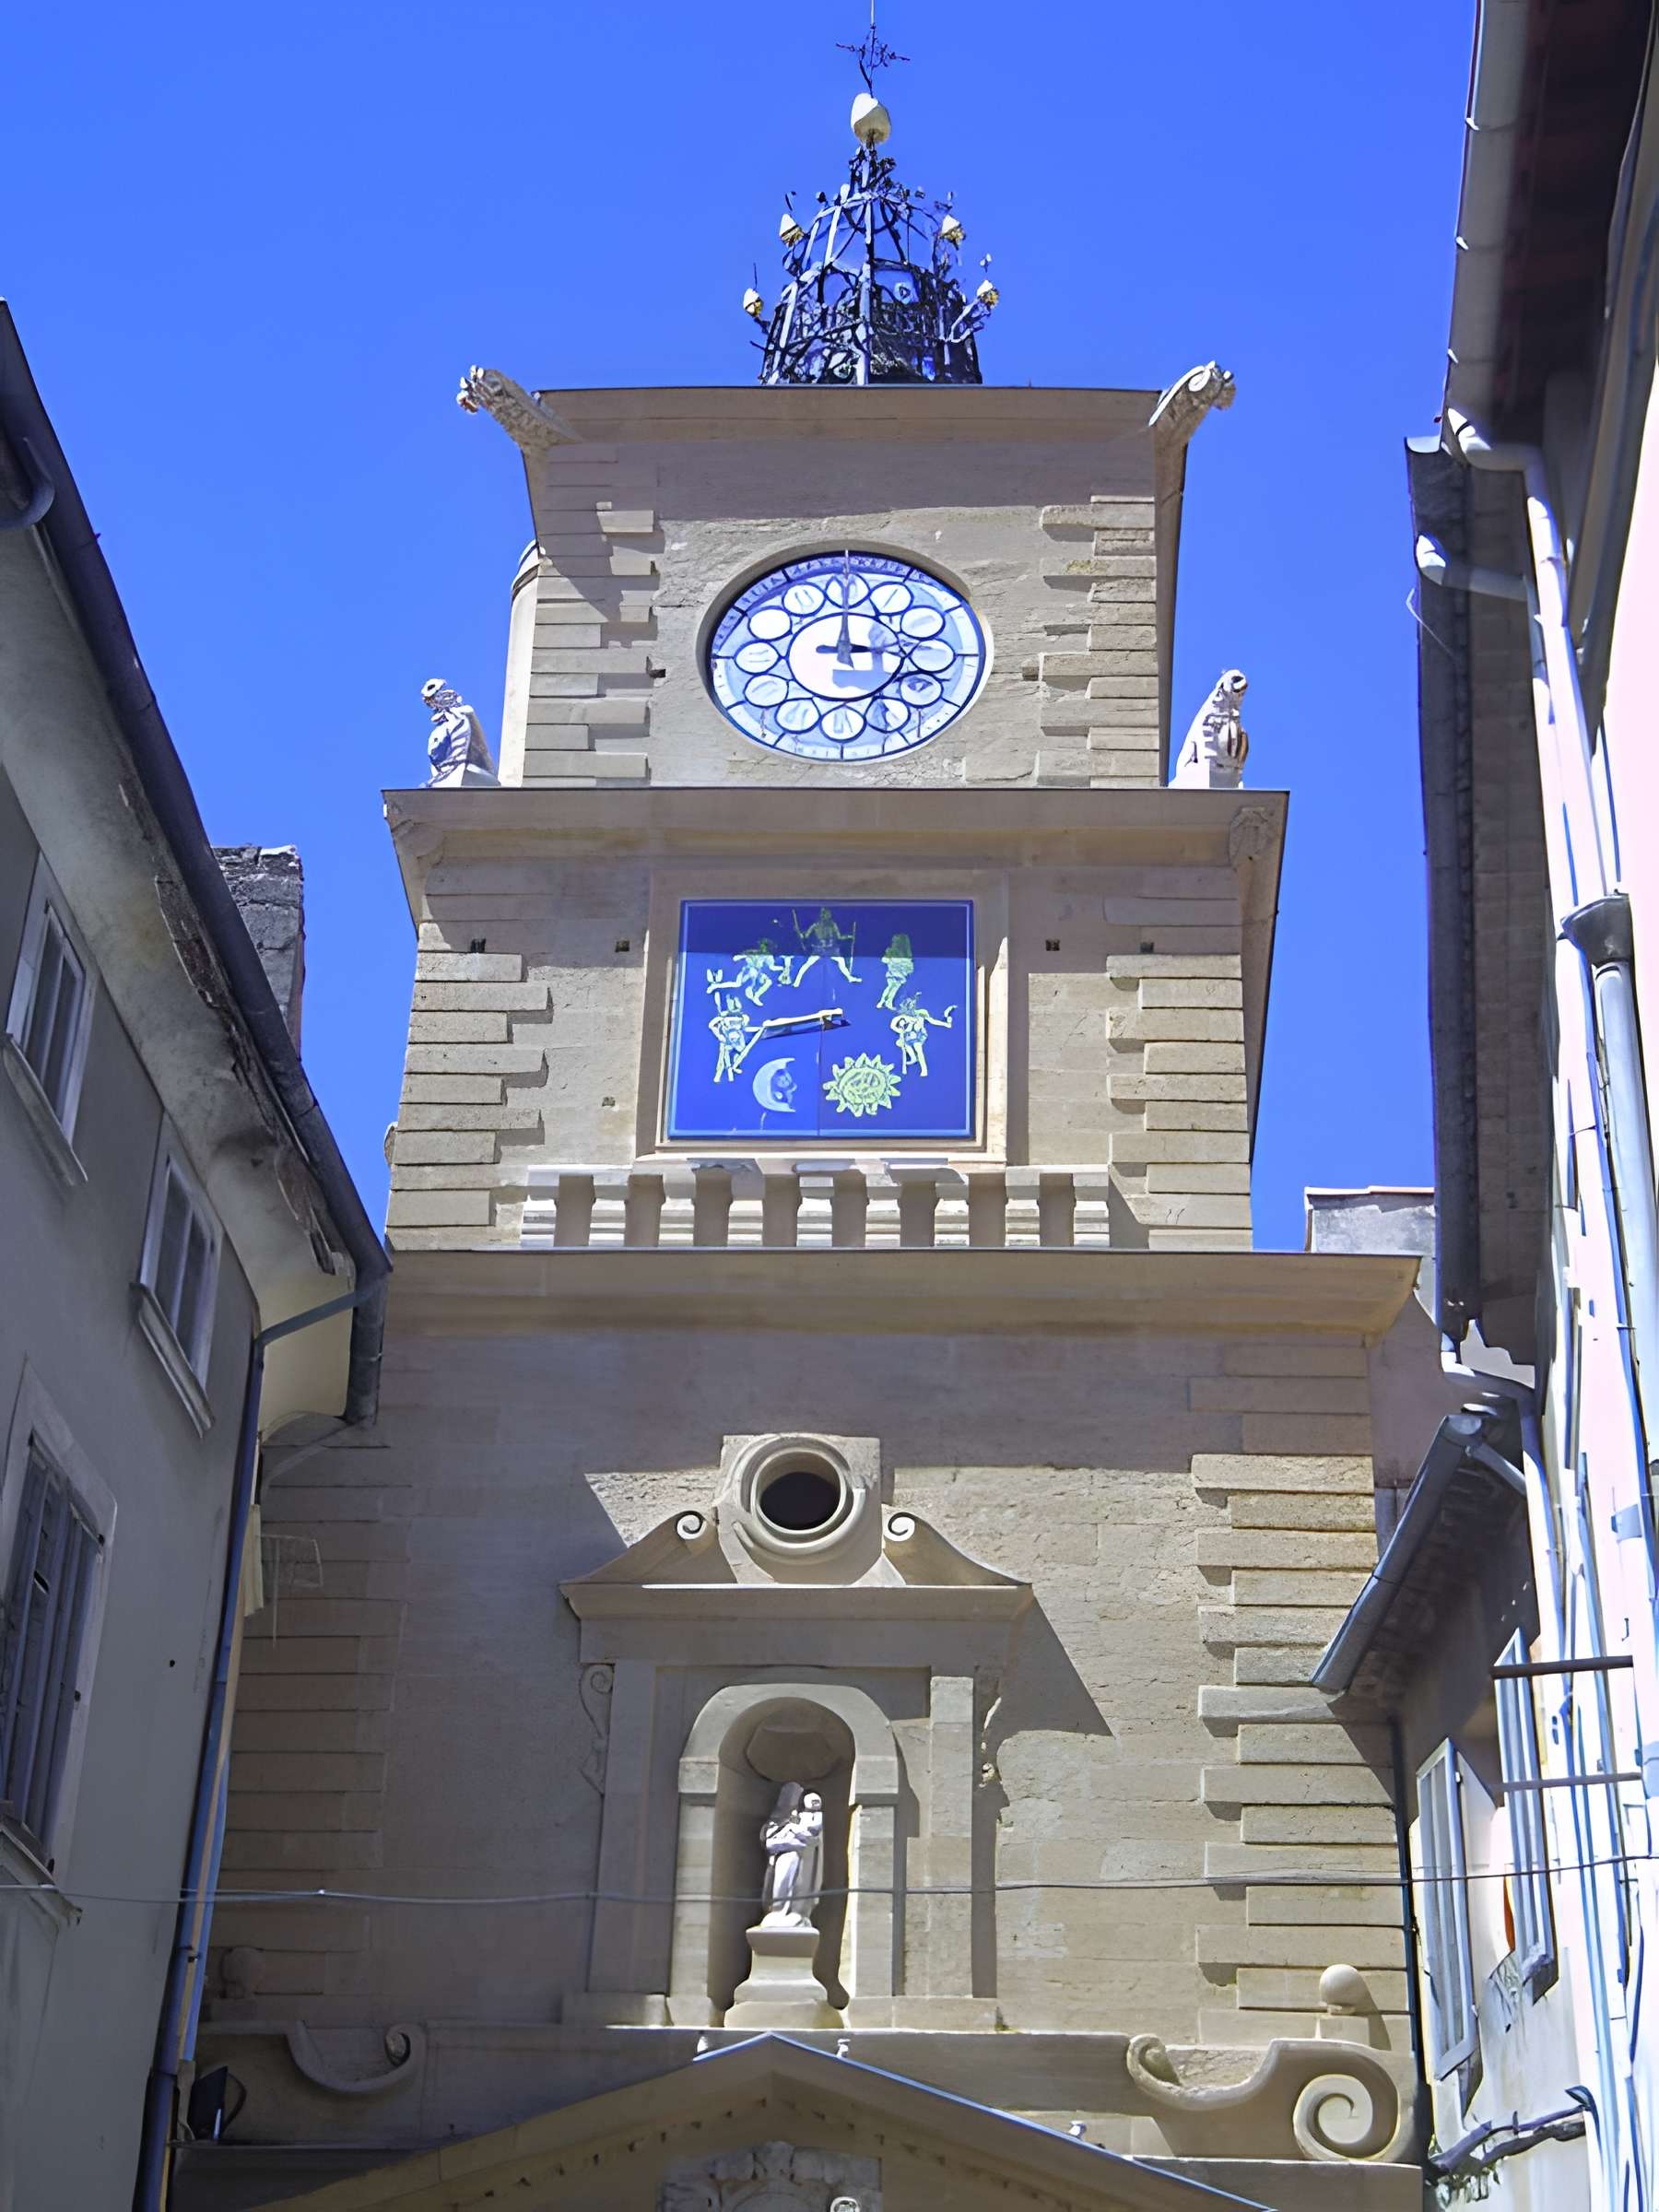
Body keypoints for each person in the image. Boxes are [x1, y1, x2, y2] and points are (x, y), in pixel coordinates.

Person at [759, 1782, 824, 1924]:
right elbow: (770, 1840)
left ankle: (797, 1911)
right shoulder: (779, 1820)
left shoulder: (809, 1817)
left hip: (801, 1860)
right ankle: (778, 1910)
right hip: (782, 1859)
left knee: (799, 1884)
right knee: (781, 1882)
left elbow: (810, 1839)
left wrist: (794, 1835)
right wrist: (789, 1838)